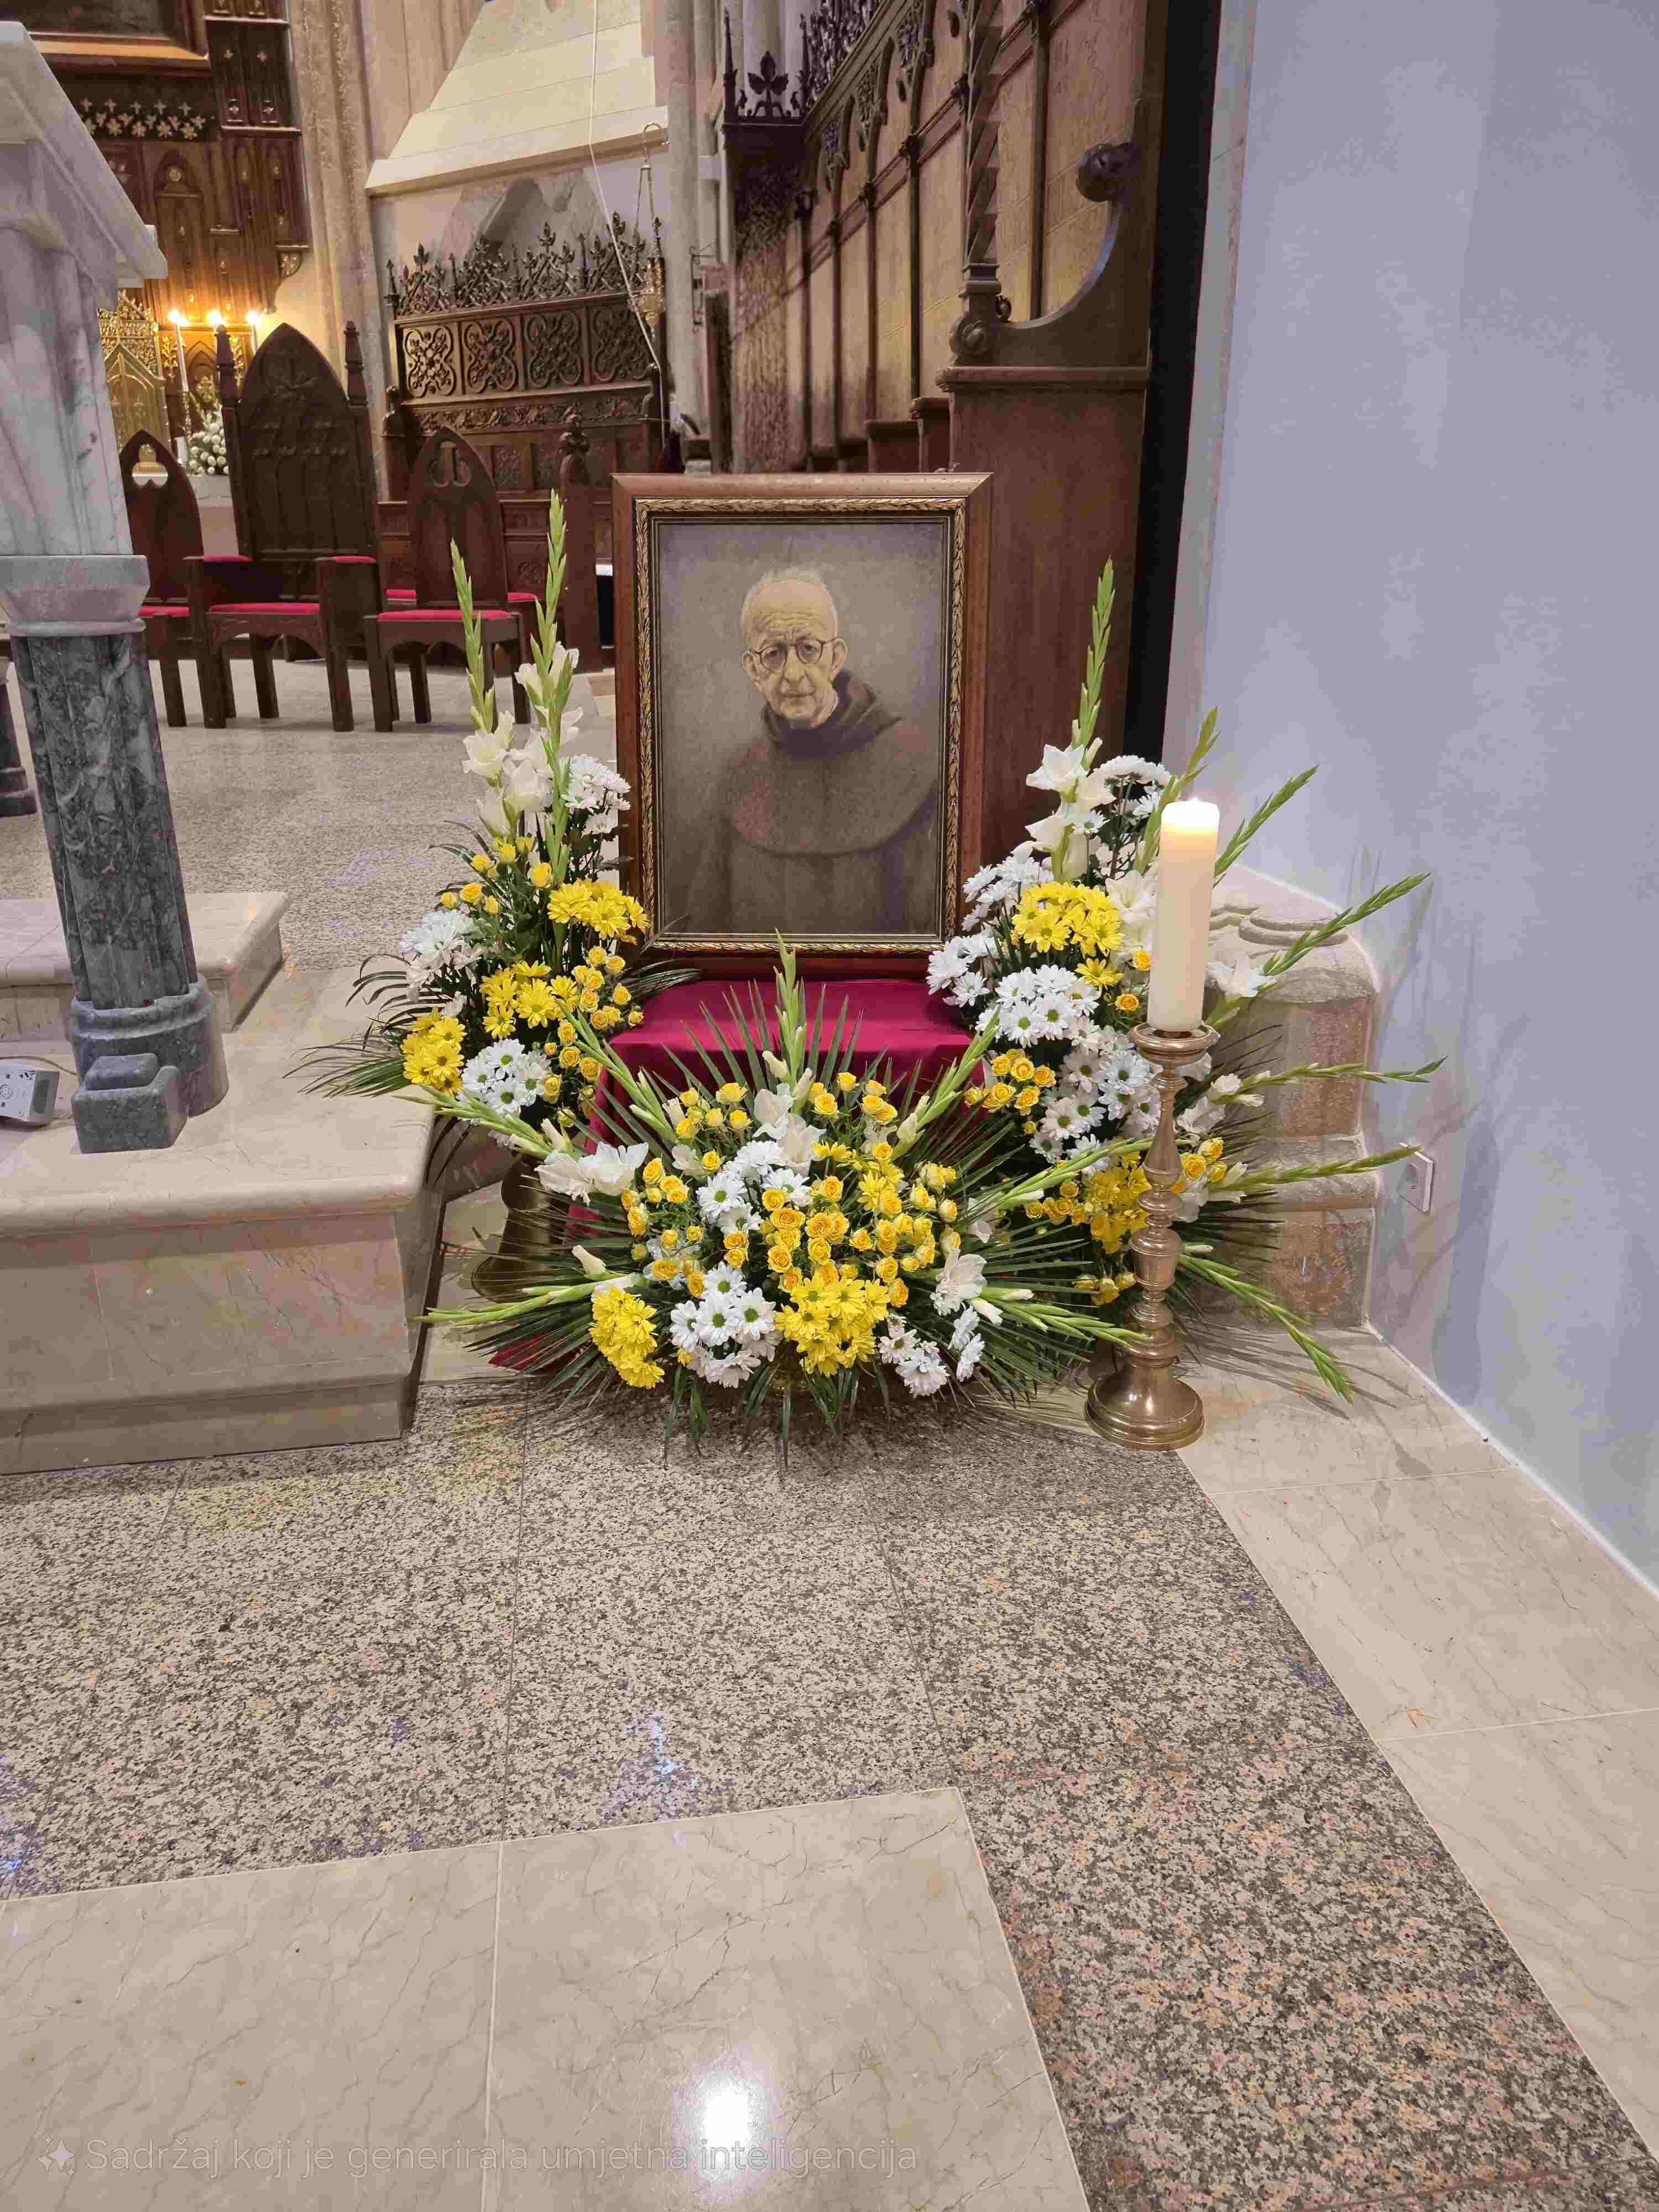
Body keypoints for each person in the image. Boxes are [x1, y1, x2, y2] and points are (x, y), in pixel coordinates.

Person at [687, 567, 940, 935]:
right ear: (753, 669)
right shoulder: (737, 775)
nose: (793, 674)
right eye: (774, 653)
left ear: (836, 658)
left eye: (808, 649)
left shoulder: (913, 763)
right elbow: (706, 930)